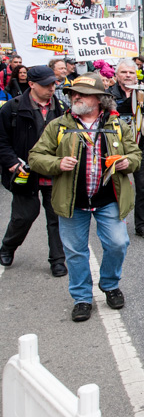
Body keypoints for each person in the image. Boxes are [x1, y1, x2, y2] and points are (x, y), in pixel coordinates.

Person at [28, 73, 141, 322]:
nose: (75, 97)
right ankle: (82, 298)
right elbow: (35, 157)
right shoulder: (58, 125)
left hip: (109, 199)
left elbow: (136, 155)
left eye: (83, 94)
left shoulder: (117, 125)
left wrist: (127, 162)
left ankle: (110, 284)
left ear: (99, 99)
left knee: (118, 243)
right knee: (75, 252)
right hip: (72, 202)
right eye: (73, 93)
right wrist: (57, 163)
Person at [0, 66, 67, 276]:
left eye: (53, 83)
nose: (51, 88)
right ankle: (8, 247)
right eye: (46, 84)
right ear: (31, 84)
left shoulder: (62, 108)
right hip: (24, 172)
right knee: (24, 216)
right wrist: (12, 162)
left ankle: (57, 260)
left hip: (53, 171)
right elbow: (1, 141)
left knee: (56, 218)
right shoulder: (11, 108)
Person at [109, 59, 144, 240]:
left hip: (140, 146)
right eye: (124, 72)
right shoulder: (109, 95)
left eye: (131, 72)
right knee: (114, 186)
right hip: (115, 147)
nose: (128, 75)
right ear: (117, 75)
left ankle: (142, 225)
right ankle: (114, 222)